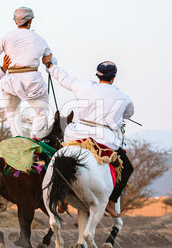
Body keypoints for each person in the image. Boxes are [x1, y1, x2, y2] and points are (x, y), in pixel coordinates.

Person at [46, 60, 134, 218]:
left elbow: (64, 79)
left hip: (77, 136)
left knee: (61, 154)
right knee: (127, 168)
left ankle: (58, 192)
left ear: (97, 75)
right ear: (113, 78)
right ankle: (111, 201)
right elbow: (128, 114)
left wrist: (51, 66)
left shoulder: (84, 85)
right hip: (104, 140)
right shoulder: (123, 96)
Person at [0, 7, 53, 140]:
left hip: (11, 80)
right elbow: (48, 59)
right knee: (42, 112)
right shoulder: (39, 39)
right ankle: (35, 139)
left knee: (12, 112)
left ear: (15, 22)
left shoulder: (7, 37)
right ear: (31, 20)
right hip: (33, 80)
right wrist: (50, 66)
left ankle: (17, 139)